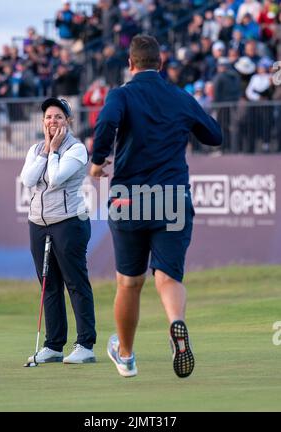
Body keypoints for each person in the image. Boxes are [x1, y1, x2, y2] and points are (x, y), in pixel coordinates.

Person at [90, 35, 222, 378]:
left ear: (131, 65)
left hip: (130, 199)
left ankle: (127, 356)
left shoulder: (121, 93)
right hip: (172, 198)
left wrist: (97, 160)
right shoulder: (179, 97)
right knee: (167, 276)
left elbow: (106, 122)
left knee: (129, 283)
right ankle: (176, 323)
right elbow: (214, 136)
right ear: (160, 65)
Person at [21, 97, 96, 365]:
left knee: (75, 283)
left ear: (68, 121)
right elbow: (29, 180)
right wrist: (45, 151)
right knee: (49, 285)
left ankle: (85, 344)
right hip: (38, 223)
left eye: (58, 117)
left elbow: (55, 179)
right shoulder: (35, 150)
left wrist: (53, 150)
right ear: (43, 122)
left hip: (69, 222)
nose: (53, 121)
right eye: (49, 117)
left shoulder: (76, 149)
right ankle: (54, 345)